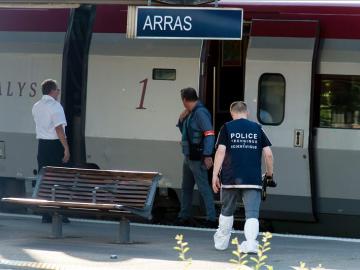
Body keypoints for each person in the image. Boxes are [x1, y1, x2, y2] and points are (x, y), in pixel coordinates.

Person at [212, 101, 274, 253]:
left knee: (227, 210)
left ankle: (221, 243)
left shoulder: (226, 127)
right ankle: (251, 244)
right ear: (247, 113)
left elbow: (220, 152)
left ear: (232, 113)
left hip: (230, 177)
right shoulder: (258, 128)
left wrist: (215, 175)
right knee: (252, 213)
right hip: (252, 179)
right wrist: (270, 174)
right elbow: (268, 154)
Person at [175, 87, 217, 228]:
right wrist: (181, 120)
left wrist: (207, 154)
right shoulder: (190, 114)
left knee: (204, 187)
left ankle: (211, 218)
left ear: (184, 100)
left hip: (197, 156)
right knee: (186, 187)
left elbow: (209, 134)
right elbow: (186, 131)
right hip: (189, 156)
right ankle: (184, 215)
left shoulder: (200, 113)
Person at [32, 79, 70, 223]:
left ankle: (46, 214)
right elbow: (59, 129)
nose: (59, 92)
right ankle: (58, 212)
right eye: (57, 90)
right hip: (55, 145)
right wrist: (66, 148)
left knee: (44, 180)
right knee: (59, 179)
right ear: (52, 91)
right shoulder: (55, 106)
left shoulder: (36, 106)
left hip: (42, 146)